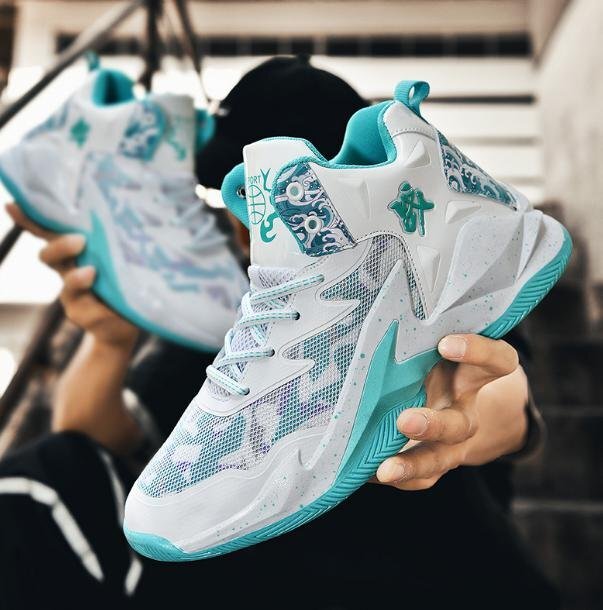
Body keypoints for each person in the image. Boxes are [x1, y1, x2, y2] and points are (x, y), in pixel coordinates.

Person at [0, 56, 557, 609]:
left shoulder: (438, 276)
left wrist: (438, 410)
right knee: (38, 482)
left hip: (441, 578)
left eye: (291, 208)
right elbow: (94, 443)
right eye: (240, 197)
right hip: (253, 586)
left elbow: (504, 401)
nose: (248, 227)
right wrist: (109, 340)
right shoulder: (221, 316)